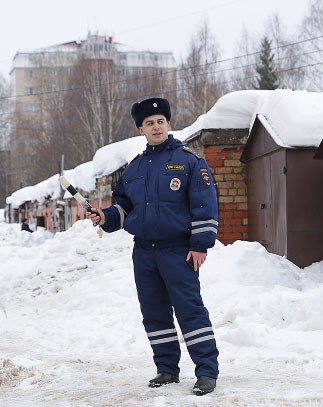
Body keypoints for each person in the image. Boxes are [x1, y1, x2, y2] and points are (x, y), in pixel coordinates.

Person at [87, 97, 219, 396]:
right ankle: (167, 369)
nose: (156, 126)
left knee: (190, 311)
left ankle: (207, 372)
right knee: (154, 312)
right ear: (141, 130)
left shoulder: (189, 161)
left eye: (161, 121)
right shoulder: (133, 169)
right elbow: (123, 208)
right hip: (144, 252)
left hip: (178, 250)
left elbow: (205, 205)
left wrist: (200, 245)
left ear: (168, 125)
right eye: (150, 123)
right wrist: (104, 216)